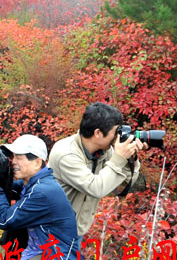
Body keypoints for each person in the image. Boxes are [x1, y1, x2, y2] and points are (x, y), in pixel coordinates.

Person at [48, 102, 147, 238]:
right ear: (98, 133)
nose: (118, 137)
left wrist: (130, 158)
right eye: (116, 132)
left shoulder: (104, 150)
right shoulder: (66, 153)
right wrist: (119, 157)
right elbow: (95, 188)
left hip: (75, 231)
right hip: (50, 233)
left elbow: (123, 185)